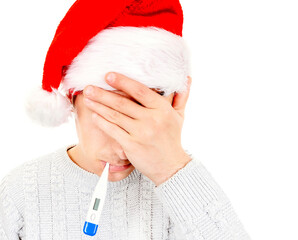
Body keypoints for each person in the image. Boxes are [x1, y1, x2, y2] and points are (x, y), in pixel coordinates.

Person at [0, 0, 251, 239]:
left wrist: (172, 168)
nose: (124, 148)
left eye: (140, 117)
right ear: (72, 101)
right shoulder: (20, 193)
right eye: (109, 116)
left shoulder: (181, 194)